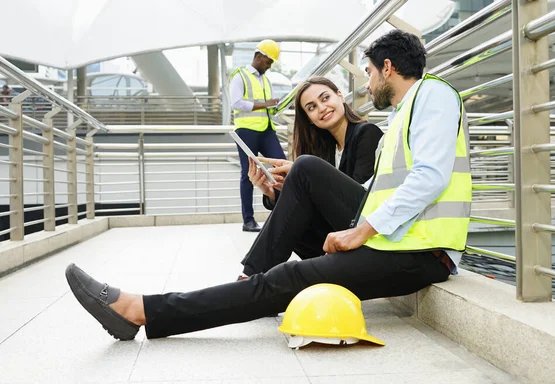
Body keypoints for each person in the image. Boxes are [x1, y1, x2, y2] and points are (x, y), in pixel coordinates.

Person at [65, 29, 471, 342]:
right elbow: (372, 190)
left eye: (367, 72)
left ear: (387, 67)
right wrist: (284, 187)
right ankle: (244, 285)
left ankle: (141, 310)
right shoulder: (405, 111)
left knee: (285, 277)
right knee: (301, 188)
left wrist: (361, 230)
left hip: (420, 252)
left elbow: (430, 178)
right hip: (396, 245)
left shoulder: (432, 94)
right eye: (309, 107)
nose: (366, 84)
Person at [238, 76, 383, 280]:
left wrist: (302, 170)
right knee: (295, 213)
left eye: (325, 98)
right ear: (309, 118)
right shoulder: (327, 150)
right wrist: (271, 191)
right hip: (335, 239)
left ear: (340, 96)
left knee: (304, 165)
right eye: (312, 107)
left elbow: (359, 198)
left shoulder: (367, 134)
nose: (322, 108)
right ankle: (258, 277)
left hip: (364, 230)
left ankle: (252, 276)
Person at [230, 39, 287, 233]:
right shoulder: (240, 76)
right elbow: (236, 103)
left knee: (283, 166)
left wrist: (277, 105)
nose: (269, 66)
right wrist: (266, 104)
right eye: (268, 62)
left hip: (266, 129)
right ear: (259, 56)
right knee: (248, 174)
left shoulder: (265, 79)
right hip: (246, 131)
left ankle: (285, 213)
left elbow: (266, 106)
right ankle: (248, 220)